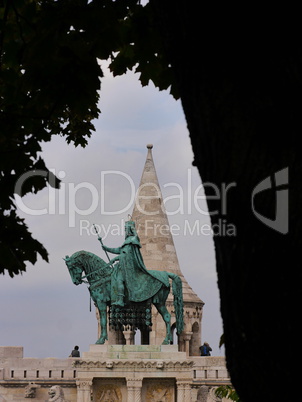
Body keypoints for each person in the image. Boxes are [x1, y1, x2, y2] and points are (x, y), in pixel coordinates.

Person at [100, 220, 169, 307]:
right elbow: (119, 250)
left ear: (130, 229)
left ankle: (120, 300)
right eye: (124, 229)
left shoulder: (133, 240)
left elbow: (127, 256)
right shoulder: (128, 241)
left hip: (129, 268)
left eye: (126, 229)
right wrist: (106, 248)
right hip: (123, 266)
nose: (125, 231)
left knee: (119, 280)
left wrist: (115, 259)